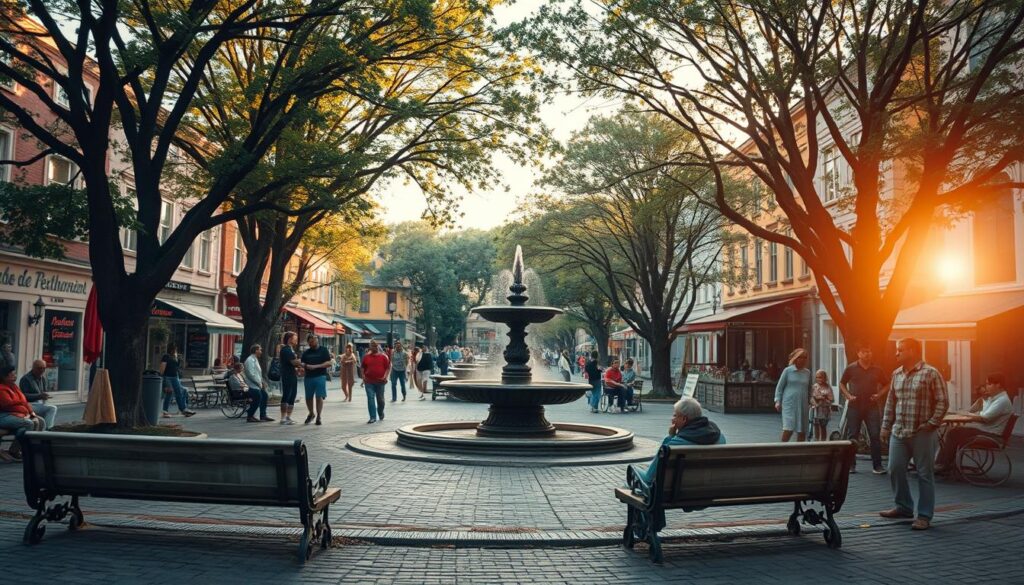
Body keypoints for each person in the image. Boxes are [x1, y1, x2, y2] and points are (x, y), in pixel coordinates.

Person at [880, 337, 948, 531]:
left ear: (912, 351)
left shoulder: (931, 373)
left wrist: (932, 424)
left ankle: (924, 515)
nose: (896, 353)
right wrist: (885, 426)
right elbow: (890, 402)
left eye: (900, 350)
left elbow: (943, 401)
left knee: (924, 474)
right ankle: (903, 506)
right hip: (899, 431)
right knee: (895, 468)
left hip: (922, 433)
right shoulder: (896, 374)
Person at [635, 397, 726, 486]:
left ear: (684, 419)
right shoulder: (720, 437)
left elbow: (649, 477)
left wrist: (671, 436)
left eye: (675, 415)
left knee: (633, 474)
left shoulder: (674, 445)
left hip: (676, 493)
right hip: (711, 489)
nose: (672, 419)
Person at [935, 373, 1014, 474]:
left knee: (953, 433)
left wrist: (967, 415)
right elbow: (983, 413)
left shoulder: (1002, 401)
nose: (986, 387)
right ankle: (945, 464)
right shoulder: (995, 399)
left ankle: (942, 465)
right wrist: (981, 402)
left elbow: (985, 418)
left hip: (991, 435)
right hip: (987, 431)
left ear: (998, 385)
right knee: (955, 432)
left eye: (989, 384)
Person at [839, 342, 889, 474]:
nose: (868, 354)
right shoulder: (851, 368)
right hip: (854, 406)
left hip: (871, 406)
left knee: (874, 435)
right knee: (852, 436)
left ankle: (877, 466)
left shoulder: (877, 369)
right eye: (865, 351)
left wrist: (879, 395)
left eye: (870, 351)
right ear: (859, 354)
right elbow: (842, 383)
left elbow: (887, 384)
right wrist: (848, 396)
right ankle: (851, 465)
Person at [0, 365, 46, 461]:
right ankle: (15, 450)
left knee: (40, 421)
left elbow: (24, 401)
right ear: (5, 377)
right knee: (28, 423)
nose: (15, 376)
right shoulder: (2, 388)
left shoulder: (14, 387)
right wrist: (21, 404)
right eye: (12, 374)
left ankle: (31, 448)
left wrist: (32, 413)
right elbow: (7, 404)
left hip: (17, 415)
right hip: (4, 416)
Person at [774, 348, 811, 442]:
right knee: (788, 428)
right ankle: (782, 449)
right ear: (795, 358)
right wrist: (777, 401)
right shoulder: (788, 370)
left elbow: (809, 389)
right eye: (800, 357)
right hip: (789, 403)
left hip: (802, 404)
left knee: (802, 430)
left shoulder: (807, 372)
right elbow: (779, 387)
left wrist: (811, 400)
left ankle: (799, 452)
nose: (803, 359)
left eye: (805, 357)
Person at [301, 335, 332, 426]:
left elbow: (329, 363)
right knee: (308, 397)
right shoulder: (306, 352)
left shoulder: (323, 350)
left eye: (313, 341)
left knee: (319, 396)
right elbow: (302, 362)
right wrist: (305, 366)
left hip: (320, 376)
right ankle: (311, 413)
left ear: (317, 340)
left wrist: (316, 366)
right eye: (310, 342)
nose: (311, 343)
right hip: (308, 377)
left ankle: (319, 416)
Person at [18, 359, 58, 429]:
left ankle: (45, 427)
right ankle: (48, 429)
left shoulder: (42, 378)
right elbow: (24, 396)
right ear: (34, 368)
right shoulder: (26, 379)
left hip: (40, 403)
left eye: (44, 368)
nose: (42, 370)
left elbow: (44, 392)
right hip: (30, 404)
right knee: (52, 408)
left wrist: (45, 396)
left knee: (50, 407)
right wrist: (39, 396)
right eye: (39, 368)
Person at [160, 343, 195, 418]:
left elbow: (180, 366)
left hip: (175, 377)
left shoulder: (175, 357)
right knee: (169, 393)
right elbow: (162, 369)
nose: (175, 351)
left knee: (179, 392)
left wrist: (180, 360)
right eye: (174, 349)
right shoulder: (166, 357)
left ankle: (183, 409)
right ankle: (165, 411)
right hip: (168, 377)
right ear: (171, 350)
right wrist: (163, 380)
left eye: (176, 349)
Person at [361, 339, 390, 424]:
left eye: (375, 345)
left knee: (380, 400)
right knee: (370, 398)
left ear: (378, 346)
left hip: (380, 382)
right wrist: (363, 377)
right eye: (371, 346)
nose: (373, 347)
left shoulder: (383, 356)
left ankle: (380, 412)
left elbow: (388, 368)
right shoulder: (366, 357)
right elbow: (362, 368)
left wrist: (385, 377)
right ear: (370, 347)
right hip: (369, 381)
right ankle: (372, 417)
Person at [242, 345, 273, 423]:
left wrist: (262, 382)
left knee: (264, 396)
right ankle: (250, 415)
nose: (261, 352)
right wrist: (258, 383)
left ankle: (263, 415)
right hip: (252, 384)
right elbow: (251, 374)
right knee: (257, 397)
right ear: (256, 350)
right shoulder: (250, 360)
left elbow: (258, 373)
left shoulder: (254, 359)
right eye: (260, 350)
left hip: (257, 384)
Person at [278, 332, 302, 425]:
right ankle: (283, 418)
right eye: (295, 338)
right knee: (287, 395)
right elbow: (293, 362)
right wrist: (303, 361)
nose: (296, 340)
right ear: (289, 339)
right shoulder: (286, 349)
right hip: (287, 375)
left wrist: (297, 368)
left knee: (292, 395)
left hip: (292, 374)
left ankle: (288, 417)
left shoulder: (291, 349)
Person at [809, 369, 834, 442]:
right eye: (817, 377)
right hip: (816, 408)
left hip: (824, 409)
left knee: (823, 426)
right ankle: (816, 440)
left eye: (820, 377)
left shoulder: (827, 387)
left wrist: (824, 398)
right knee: (816, 425)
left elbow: (831, 399)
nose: (818, 379)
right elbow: (811, 397)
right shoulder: (814, 386)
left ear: (825, 378)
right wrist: (814, 402)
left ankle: (823, 441)